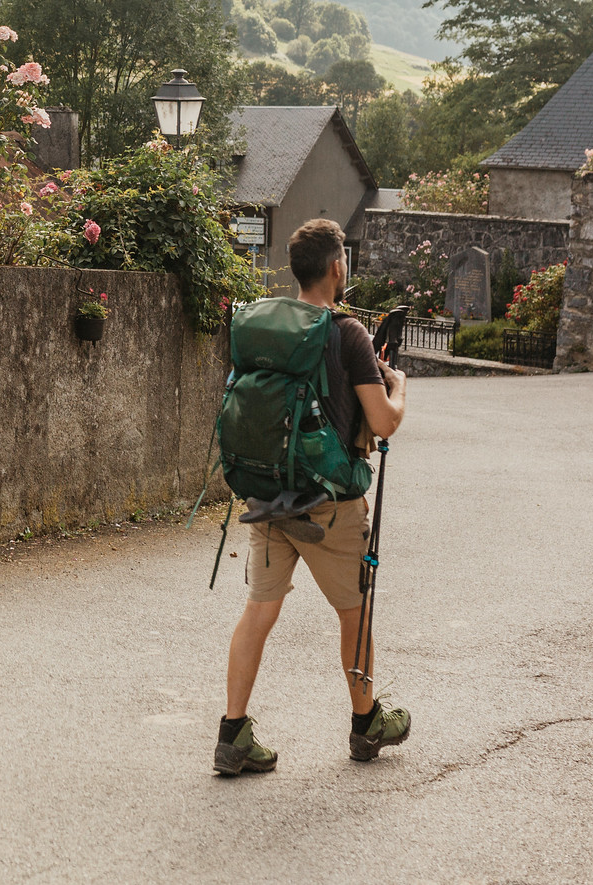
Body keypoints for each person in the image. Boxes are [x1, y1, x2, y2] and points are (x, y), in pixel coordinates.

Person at [214, 218, 411, 775]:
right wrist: (398, 387)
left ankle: (232, 733)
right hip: (328, 504)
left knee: (259, 611)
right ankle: (366, 722)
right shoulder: (347, 333)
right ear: (336, 267)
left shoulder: (267, 325)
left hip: (269, 493)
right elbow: (383, 423)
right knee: (354, 609)